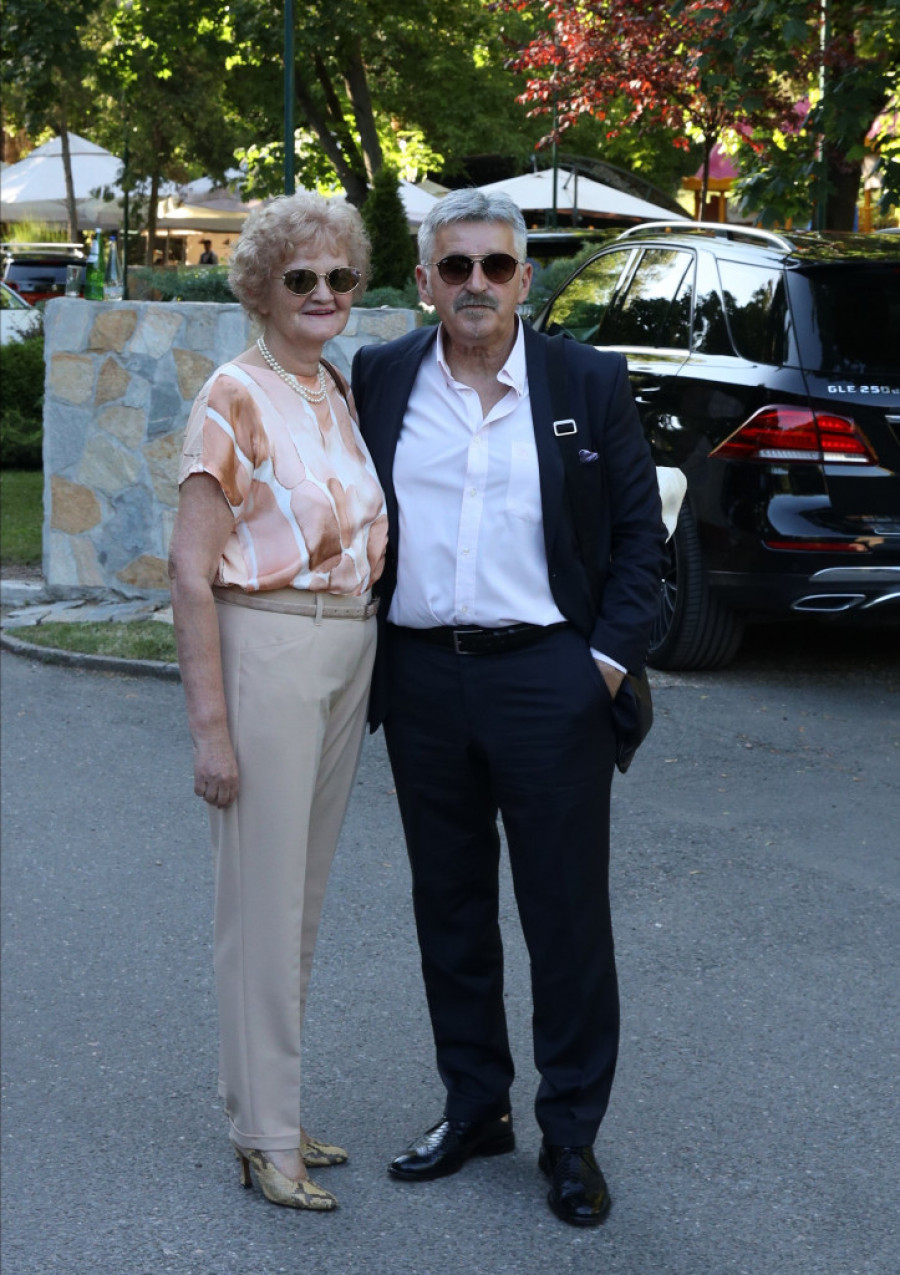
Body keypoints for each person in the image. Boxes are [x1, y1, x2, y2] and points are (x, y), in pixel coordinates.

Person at [351, 189, 667, 1227]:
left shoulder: (586, 379)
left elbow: (640, 541)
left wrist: (603, 668)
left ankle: (570, 1134)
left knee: (564, 916)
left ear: (525, 278)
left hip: (550, 680)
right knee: (448, 906)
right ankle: (475, 1106)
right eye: (456, 267)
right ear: (425, 282)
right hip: (423, 678)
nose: (476, 283)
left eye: (495, 265)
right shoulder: (382, 375)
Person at [168, 193, 386, 1212]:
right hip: (269, 646)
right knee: (260, 902)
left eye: (340, 276)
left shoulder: (333, 388)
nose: (323, 292)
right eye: (302, 277)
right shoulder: (235, 393)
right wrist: (211, 729)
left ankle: (275, 1109)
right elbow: (189, 569)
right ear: (261, 286)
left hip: (347, 648)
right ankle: (262, 1137)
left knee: (298, 901)